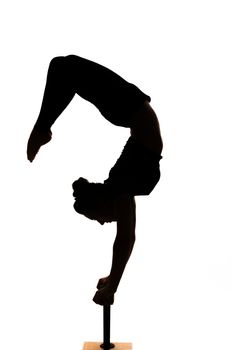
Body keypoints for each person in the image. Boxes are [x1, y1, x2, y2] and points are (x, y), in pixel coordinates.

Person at [27, 55, 163, 306]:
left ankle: (42, 128)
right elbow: (126, 237)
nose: (102, 222)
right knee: (64, 67)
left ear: (103, 200)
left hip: (127, 108)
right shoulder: (122, 185)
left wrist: (113, 286)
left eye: (96, 216)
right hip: (128, 110)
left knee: (63, 67)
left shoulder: (121, 185)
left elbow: (125, 239)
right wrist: (112, 277)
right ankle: (42, 128)